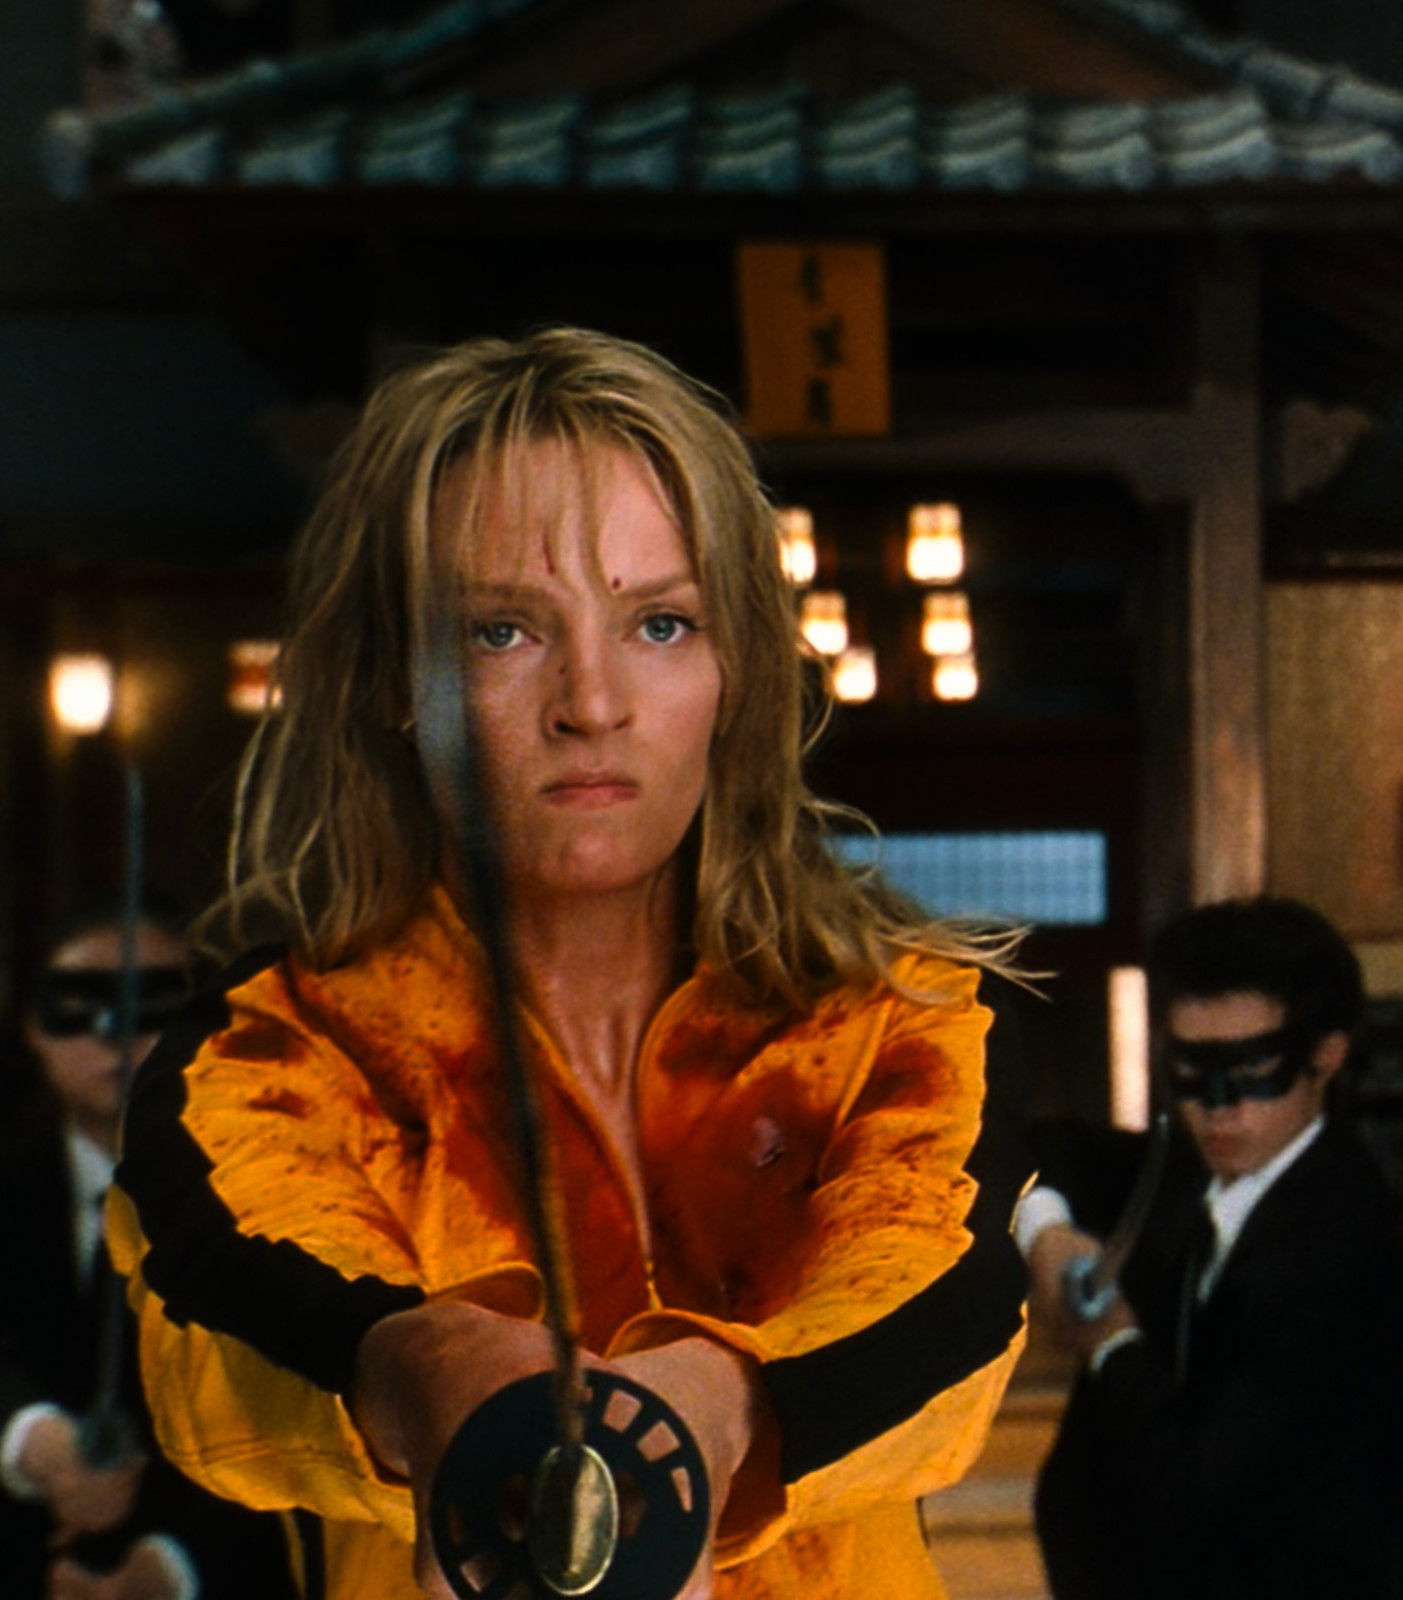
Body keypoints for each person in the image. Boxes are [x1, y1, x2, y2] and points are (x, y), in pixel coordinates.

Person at [105, 328, 1029, 1600]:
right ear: (394, 678)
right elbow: (222, 1317)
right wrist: (424, 1369)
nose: (591, 702)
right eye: (503, 632)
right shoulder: (275, 1051)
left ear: (738, 669)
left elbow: (944, 1303)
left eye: (661, 623)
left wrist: (718, 1403)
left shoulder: (902, 1021)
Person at [1021, 896, 1403, 1600]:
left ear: (1325, 1055)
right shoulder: (1187, 1170)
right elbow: (1042, 1150)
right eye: (1193, 1069)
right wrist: (1048, 1232)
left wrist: (1112, 1343)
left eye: (1254, 1068)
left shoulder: (1335, 1246)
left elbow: (1196, 1496)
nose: (1219, 1106)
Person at [0, 900, 291, 1600]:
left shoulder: (280, 1196)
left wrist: (172, 1568)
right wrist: (37, 1442)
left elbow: (290, 1415)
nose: (116, 1032)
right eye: (78, 1004)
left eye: (154, 1003)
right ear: (33, 1028)